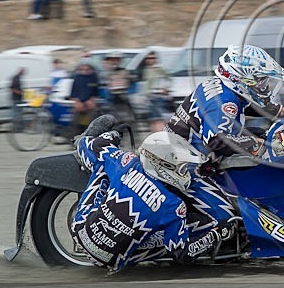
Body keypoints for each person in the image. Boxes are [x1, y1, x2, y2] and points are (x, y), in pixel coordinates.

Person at [69, 115, 236, 272]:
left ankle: (81, 144)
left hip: (79, 231)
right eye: (180, 167)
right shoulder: (174, 205)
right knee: (201, 224)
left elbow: (99, 145)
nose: (184, 172)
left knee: (101, 166)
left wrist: (114, 134)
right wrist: (216, 234)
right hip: (111, 261)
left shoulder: (127, 162)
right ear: (161, 166)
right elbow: (182, 254)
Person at [165, 45, 284, 235]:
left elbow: (251, 105)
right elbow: (217, 141)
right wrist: (256, 145)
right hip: (185, 171)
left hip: (191, 157)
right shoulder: (224, 101)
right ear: (241, 78)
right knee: (231, 219)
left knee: (255, 141)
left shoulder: (224, 88)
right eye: (260, 80)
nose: (264, 86)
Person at [132, 52, 171, 132]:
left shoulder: (160, 69)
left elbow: (169, 79)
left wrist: (166, 88)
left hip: (158, 96)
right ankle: (155, 137)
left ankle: (162, 136)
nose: (150, 60)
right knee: (152, 119)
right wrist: (143, 95)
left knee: (158, 118)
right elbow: (146, 84)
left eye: (152, 58)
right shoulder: (146, 70)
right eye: (148, 58)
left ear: (156, 59)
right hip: (149, 97)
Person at [68, 61, 100, 134]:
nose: (84, 71)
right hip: (79, 103)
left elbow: (95, 92)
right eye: (82, 69)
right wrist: (78, 102)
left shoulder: (93, 78)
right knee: (76, 121)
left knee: (91, 121)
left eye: (87, 69)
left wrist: (91, 100)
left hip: (90, 103)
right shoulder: (77, 78)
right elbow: (73, 93)